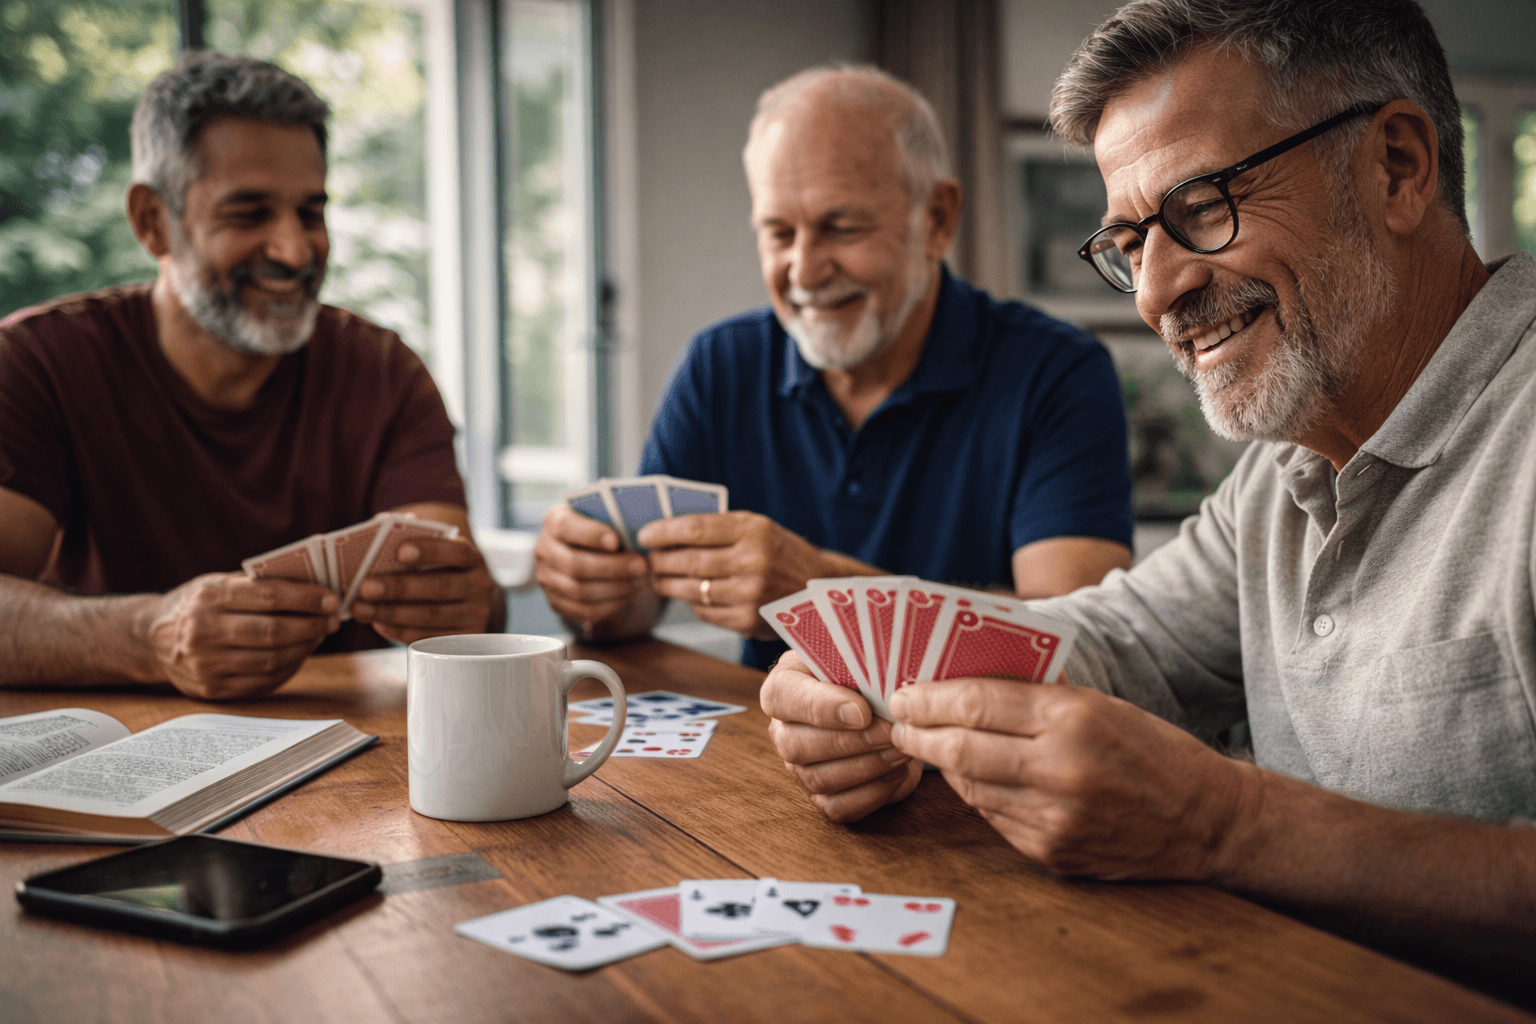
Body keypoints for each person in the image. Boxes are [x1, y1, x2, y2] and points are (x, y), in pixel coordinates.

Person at [762, 0, 1536, 973]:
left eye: (1202, 206)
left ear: (1397, 167)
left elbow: (1224, 812)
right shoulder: (1282, 472)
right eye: (1130, 242)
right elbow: (1116, 638)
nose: (1154, 292)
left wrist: (1230, 823)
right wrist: (873, 653)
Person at [535, 66, 1134, 668]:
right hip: (765, 748)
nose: (803, 270)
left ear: (937, 220)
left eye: (840, 228)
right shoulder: (720, 364)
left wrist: (821, 589)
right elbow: (634, 605)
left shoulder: (1058, 373)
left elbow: (1072, 647)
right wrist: (591, 587)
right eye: (777, 233)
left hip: (968, 757)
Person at [0, 52, 500, 701]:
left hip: (357, 763)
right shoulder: (37, 365)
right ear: (153, 222)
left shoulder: (384, 372)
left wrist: (468, 605)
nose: (294, 251)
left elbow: (473, 604)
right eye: (249, 213)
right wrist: (148, 635)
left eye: (312, 213)